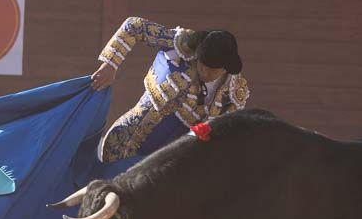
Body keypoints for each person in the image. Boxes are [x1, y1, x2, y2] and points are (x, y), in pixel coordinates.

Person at [89, 17, 249, 163]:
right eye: (202, 66)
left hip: (166, 167)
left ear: (225, 69)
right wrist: (110, 64)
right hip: (123, 143)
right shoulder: (183, 44)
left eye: (212, 70)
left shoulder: (232, 95)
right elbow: (134, 27)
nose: (205, 73)